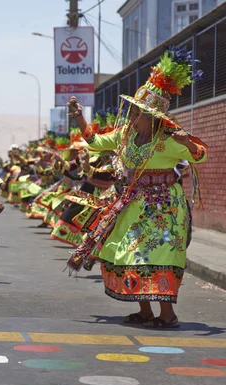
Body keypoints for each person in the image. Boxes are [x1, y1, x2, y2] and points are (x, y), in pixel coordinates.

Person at [67, 48, 208, 328]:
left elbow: (200, 154)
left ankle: (167, 315)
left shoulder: (169, 139)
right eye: (132, 110)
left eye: (137, 112)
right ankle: (145, 311)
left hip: (165, 208)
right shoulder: (125, 135)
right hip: (134, 205)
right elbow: (94, 141)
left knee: (160, 255)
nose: (131, 115)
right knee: (128, 254)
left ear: (153, 116)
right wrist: (80, 118)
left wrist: (188, 143)